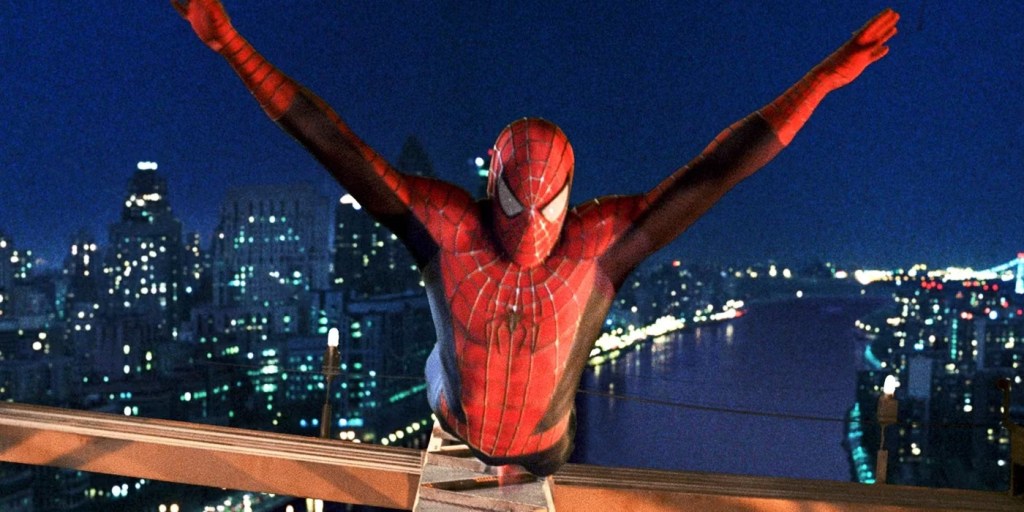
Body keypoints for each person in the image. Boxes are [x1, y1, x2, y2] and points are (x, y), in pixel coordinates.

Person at [174, 0, 898, 476]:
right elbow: (335, 146)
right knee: (447, 355)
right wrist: (823, 78)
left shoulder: (538, 237)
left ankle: (442, 366)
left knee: (443, 354)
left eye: (539, 203)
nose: (528, 221)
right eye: (519, 201)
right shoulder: (574, 241)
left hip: (511, 433)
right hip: (509, 426)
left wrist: (233, 45)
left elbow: (719, 168)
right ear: (494, 185)